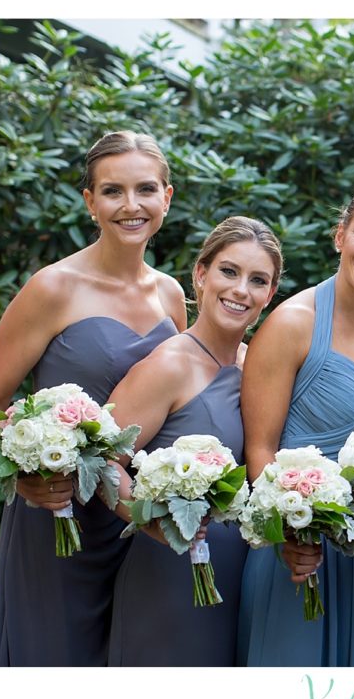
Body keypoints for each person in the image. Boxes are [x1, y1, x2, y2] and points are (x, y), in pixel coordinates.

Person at [0, 131, 185, 666]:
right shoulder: (53, 288)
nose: (131, 206)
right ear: (90, 202)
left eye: (145, 190)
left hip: (139, 521)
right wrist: (23, 474)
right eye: (113, 191)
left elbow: (185, 392)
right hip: (58, 515)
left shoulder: (171, 294)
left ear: (166, 197)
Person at [236, 183, 354, 666]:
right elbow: (258, 451)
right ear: (340, 236)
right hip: (297, 549)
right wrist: (291, 533)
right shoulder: (292, 324)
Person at [104, 217, 282, 666]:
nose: (241, 290)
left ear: (270, 294)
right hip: (170, 574)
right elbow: (102, 461)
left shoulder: (258, 366)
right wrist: (149, 519)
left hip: (242, 577)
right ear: (201, 274)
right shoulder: (168, 365)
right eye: (229, 271)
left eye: (257, 280)